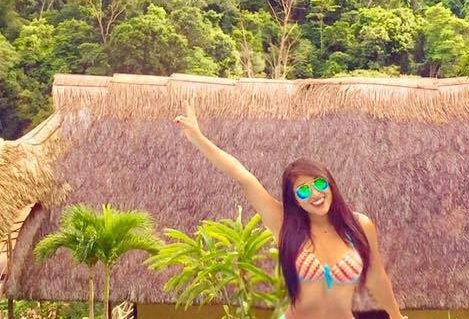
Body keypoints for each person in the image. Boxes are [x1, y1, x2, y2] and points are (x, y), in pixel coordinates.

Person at [174, 100, 407, 319]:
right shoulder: (285, 225)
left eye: (319, 183)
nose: (315, 194)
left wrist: (396, 316)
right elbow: (243, 177)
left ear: (330, 183)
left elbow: (377, 277)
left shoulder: (360, 226)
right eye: (303, 191)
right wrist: (197, 137)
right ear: (294, 198)